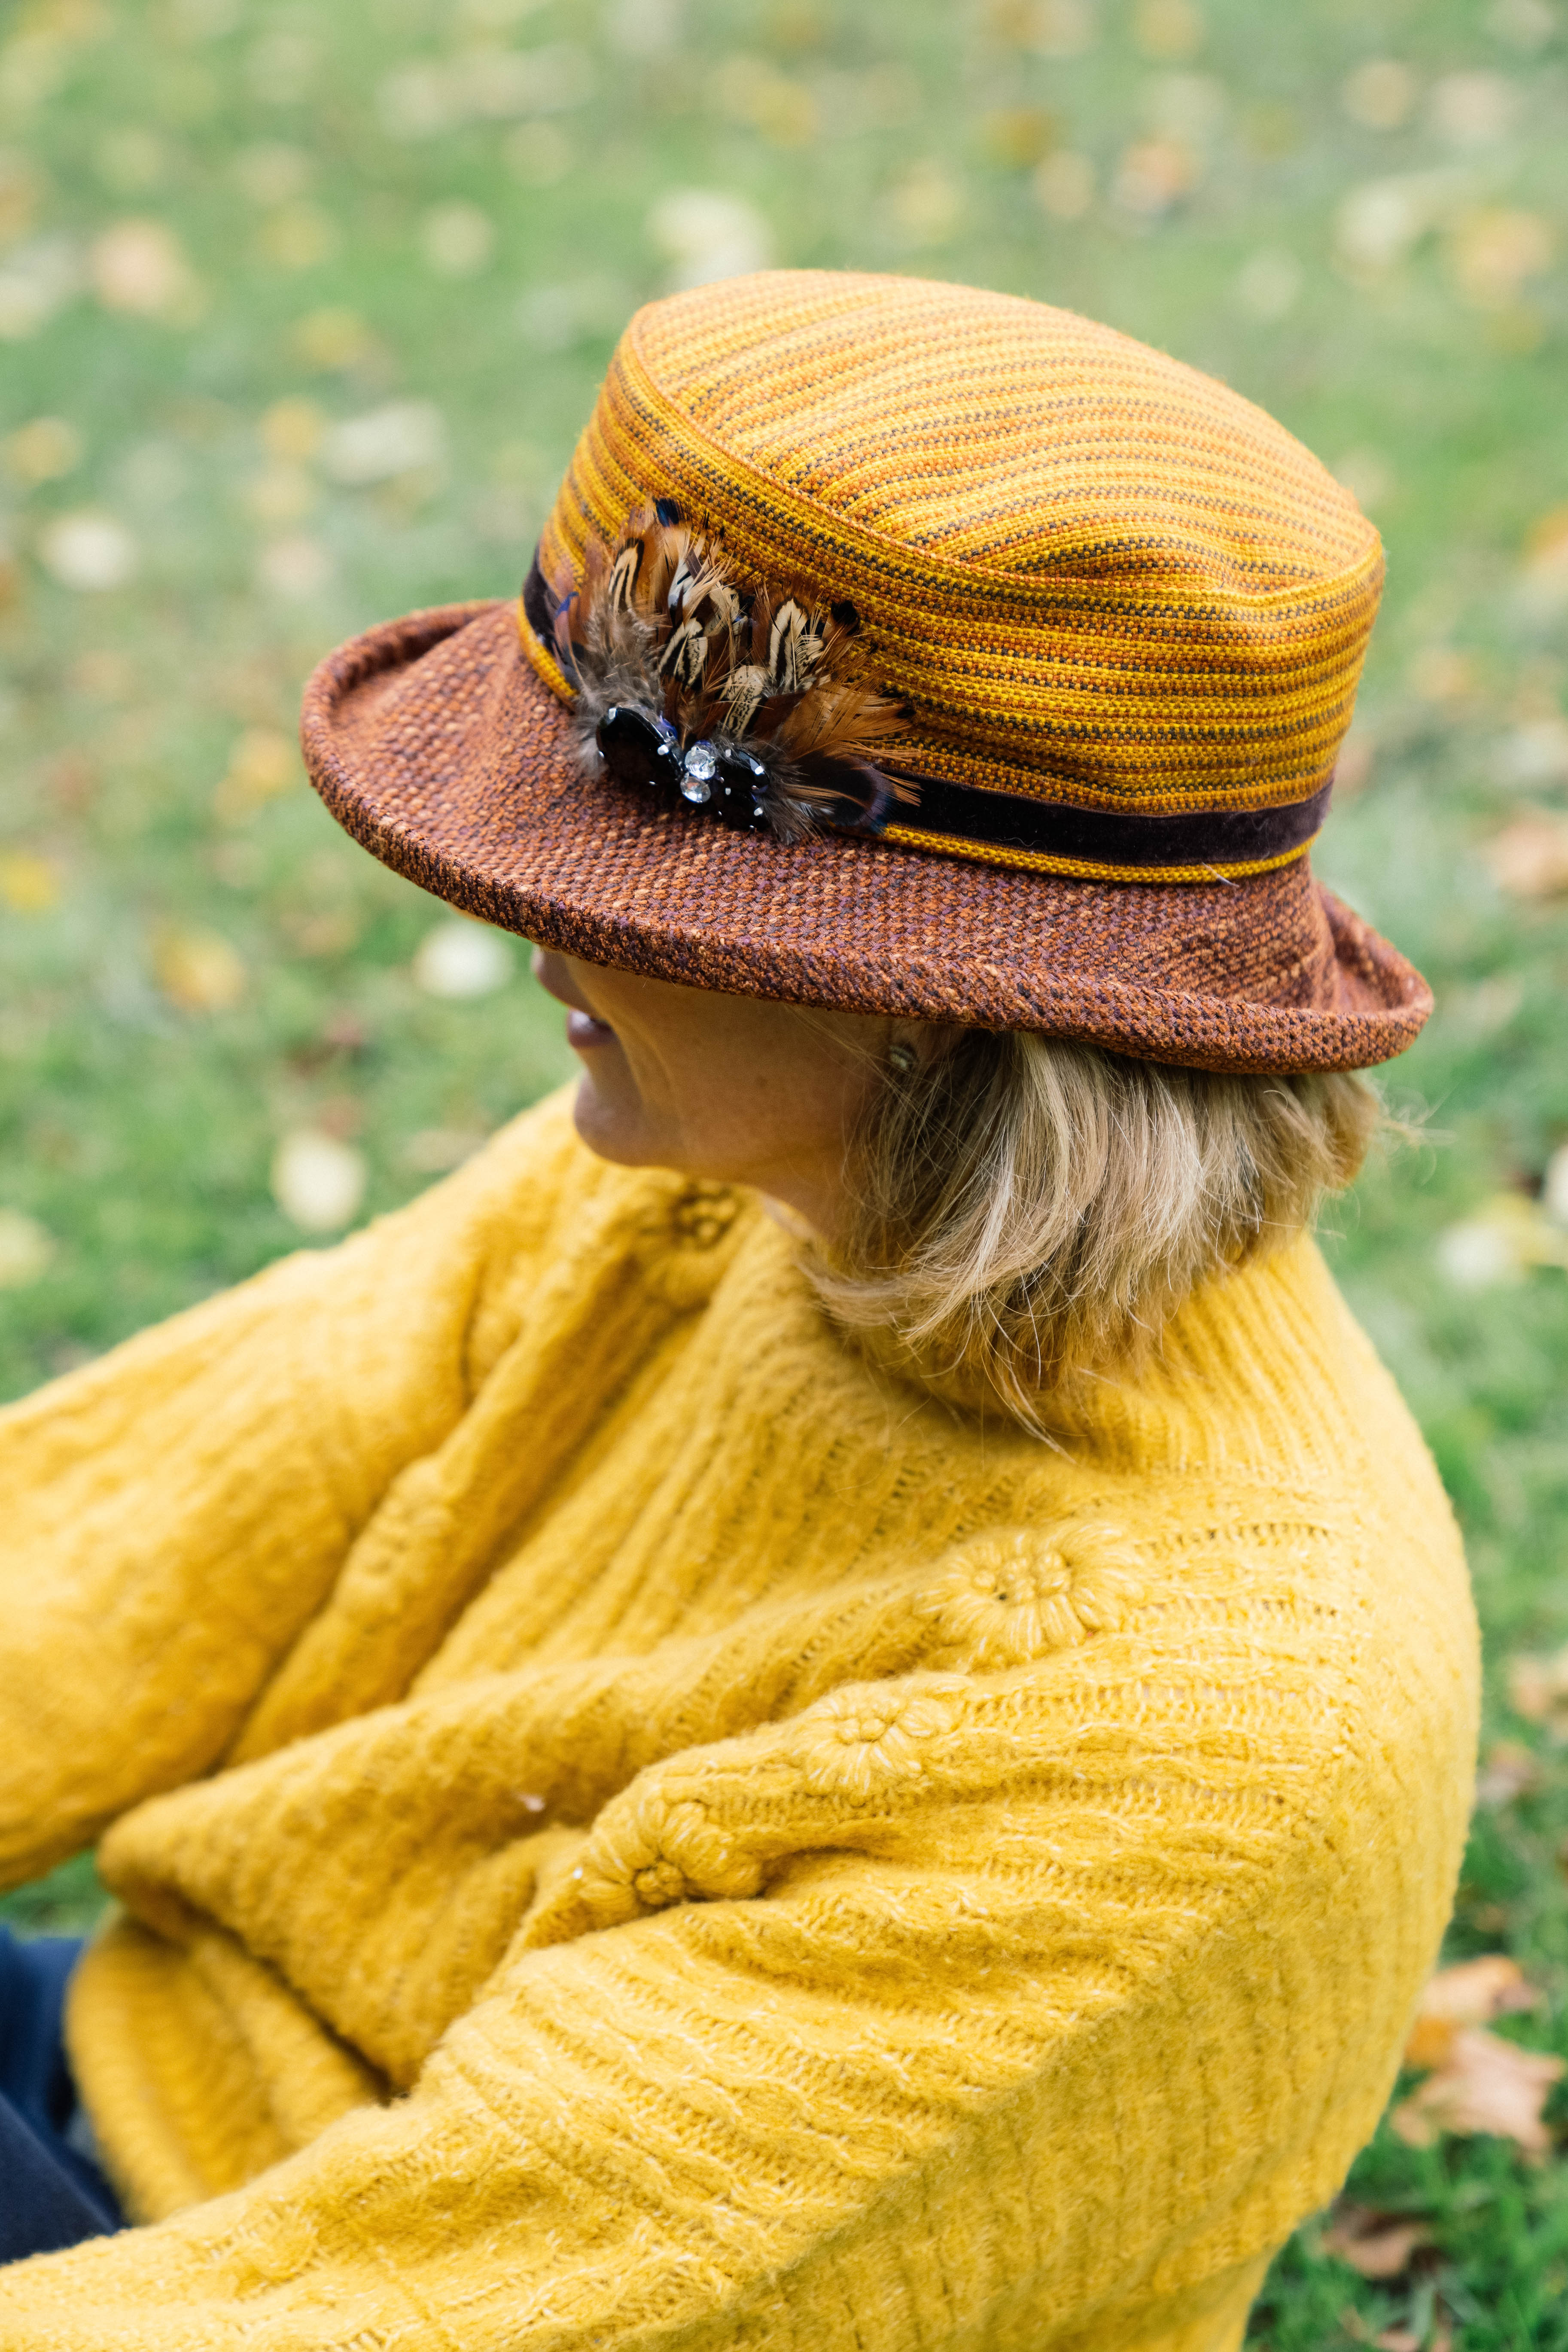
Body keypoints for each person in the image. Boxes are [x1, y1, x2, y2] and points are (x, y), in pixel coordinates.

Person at [0, 272, 1477, 2351]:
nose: (513, 917)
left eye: (628, 890)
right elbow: (139, 1538)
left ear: (943, 999)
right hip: (159, 2082)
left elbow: (438, 2296)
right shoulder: (740, 1169)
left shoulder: (1194, 1720)